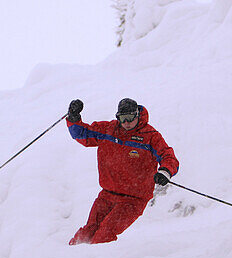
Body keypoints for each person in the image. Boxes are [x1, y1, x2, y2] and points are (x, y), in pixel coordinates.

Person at [64, 97, 179, 245]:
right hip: (107, 194)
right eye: (122, 118)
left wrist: (165, 171)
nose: (126, 123)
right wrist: (74, 117)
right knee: (89, 230)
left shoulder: (150, 136)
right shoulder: (108, 130)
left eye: (130, 118)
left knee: (105, 232)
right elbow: (81, 134)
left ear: (137, 115)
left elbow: (168, 156)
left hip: (133, 200)